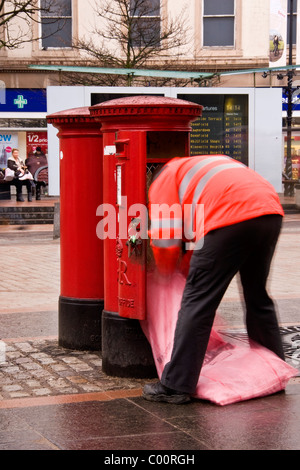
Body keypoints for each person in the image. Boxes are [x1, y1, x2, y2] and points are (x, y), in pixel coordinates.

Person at [142, 155, 285, 404]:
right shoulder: (204, 167)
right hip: (269, 210)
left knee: (197, 303)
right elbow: (200, 242)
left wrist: (166, 274)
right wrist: (187, 270)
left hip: (231, 216)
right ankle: (275, 371)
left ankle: (176, 385)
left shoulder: (163, 179)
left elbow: (166, 238)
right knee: (257, 296)